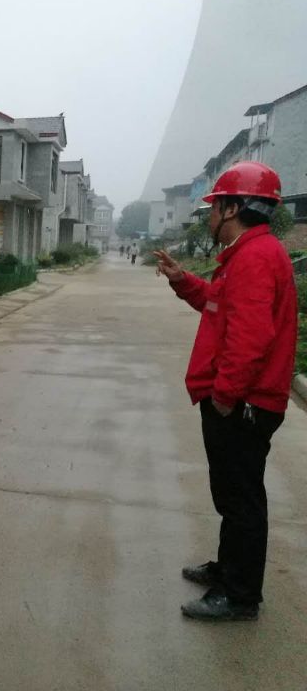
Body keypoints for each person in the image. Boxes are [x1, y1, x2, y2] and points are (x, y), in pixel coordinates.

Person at [154, 161, 296, 621]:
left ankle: (238, 595)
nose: (210, 216)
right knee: (232, 494)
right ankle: (228, 569)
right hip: (241, 400)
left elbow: (250, 338)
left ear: (233, 208)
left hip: (243, 403)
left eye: (214, 208)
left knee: (241, 499)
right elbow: (217, 306)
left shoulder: (255, 258)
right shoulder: (247, 254)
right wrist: (182, 281)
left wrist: (225, 395)